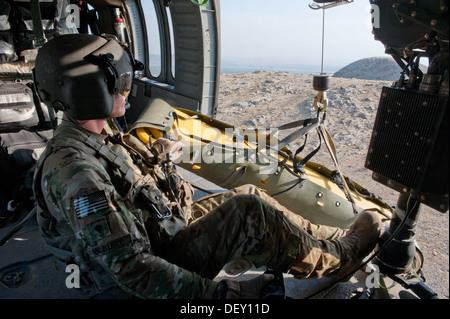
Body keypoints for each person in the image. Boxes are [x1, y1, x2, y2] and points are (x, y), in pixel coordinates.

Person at [32, 34, 382, 299]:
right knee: (249, 211)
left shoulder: (97, 132)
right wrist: (220, 296)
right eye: (118, 82)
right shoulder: (74, 171)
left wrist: (161, 159)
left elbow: (130, 192)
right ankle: (342, 257)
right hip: (128, 283)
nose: (127, 89)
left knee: (246, 193)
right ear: (89, 92)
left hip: (157, 232)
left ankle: (330, 240)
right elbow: (131, 268)